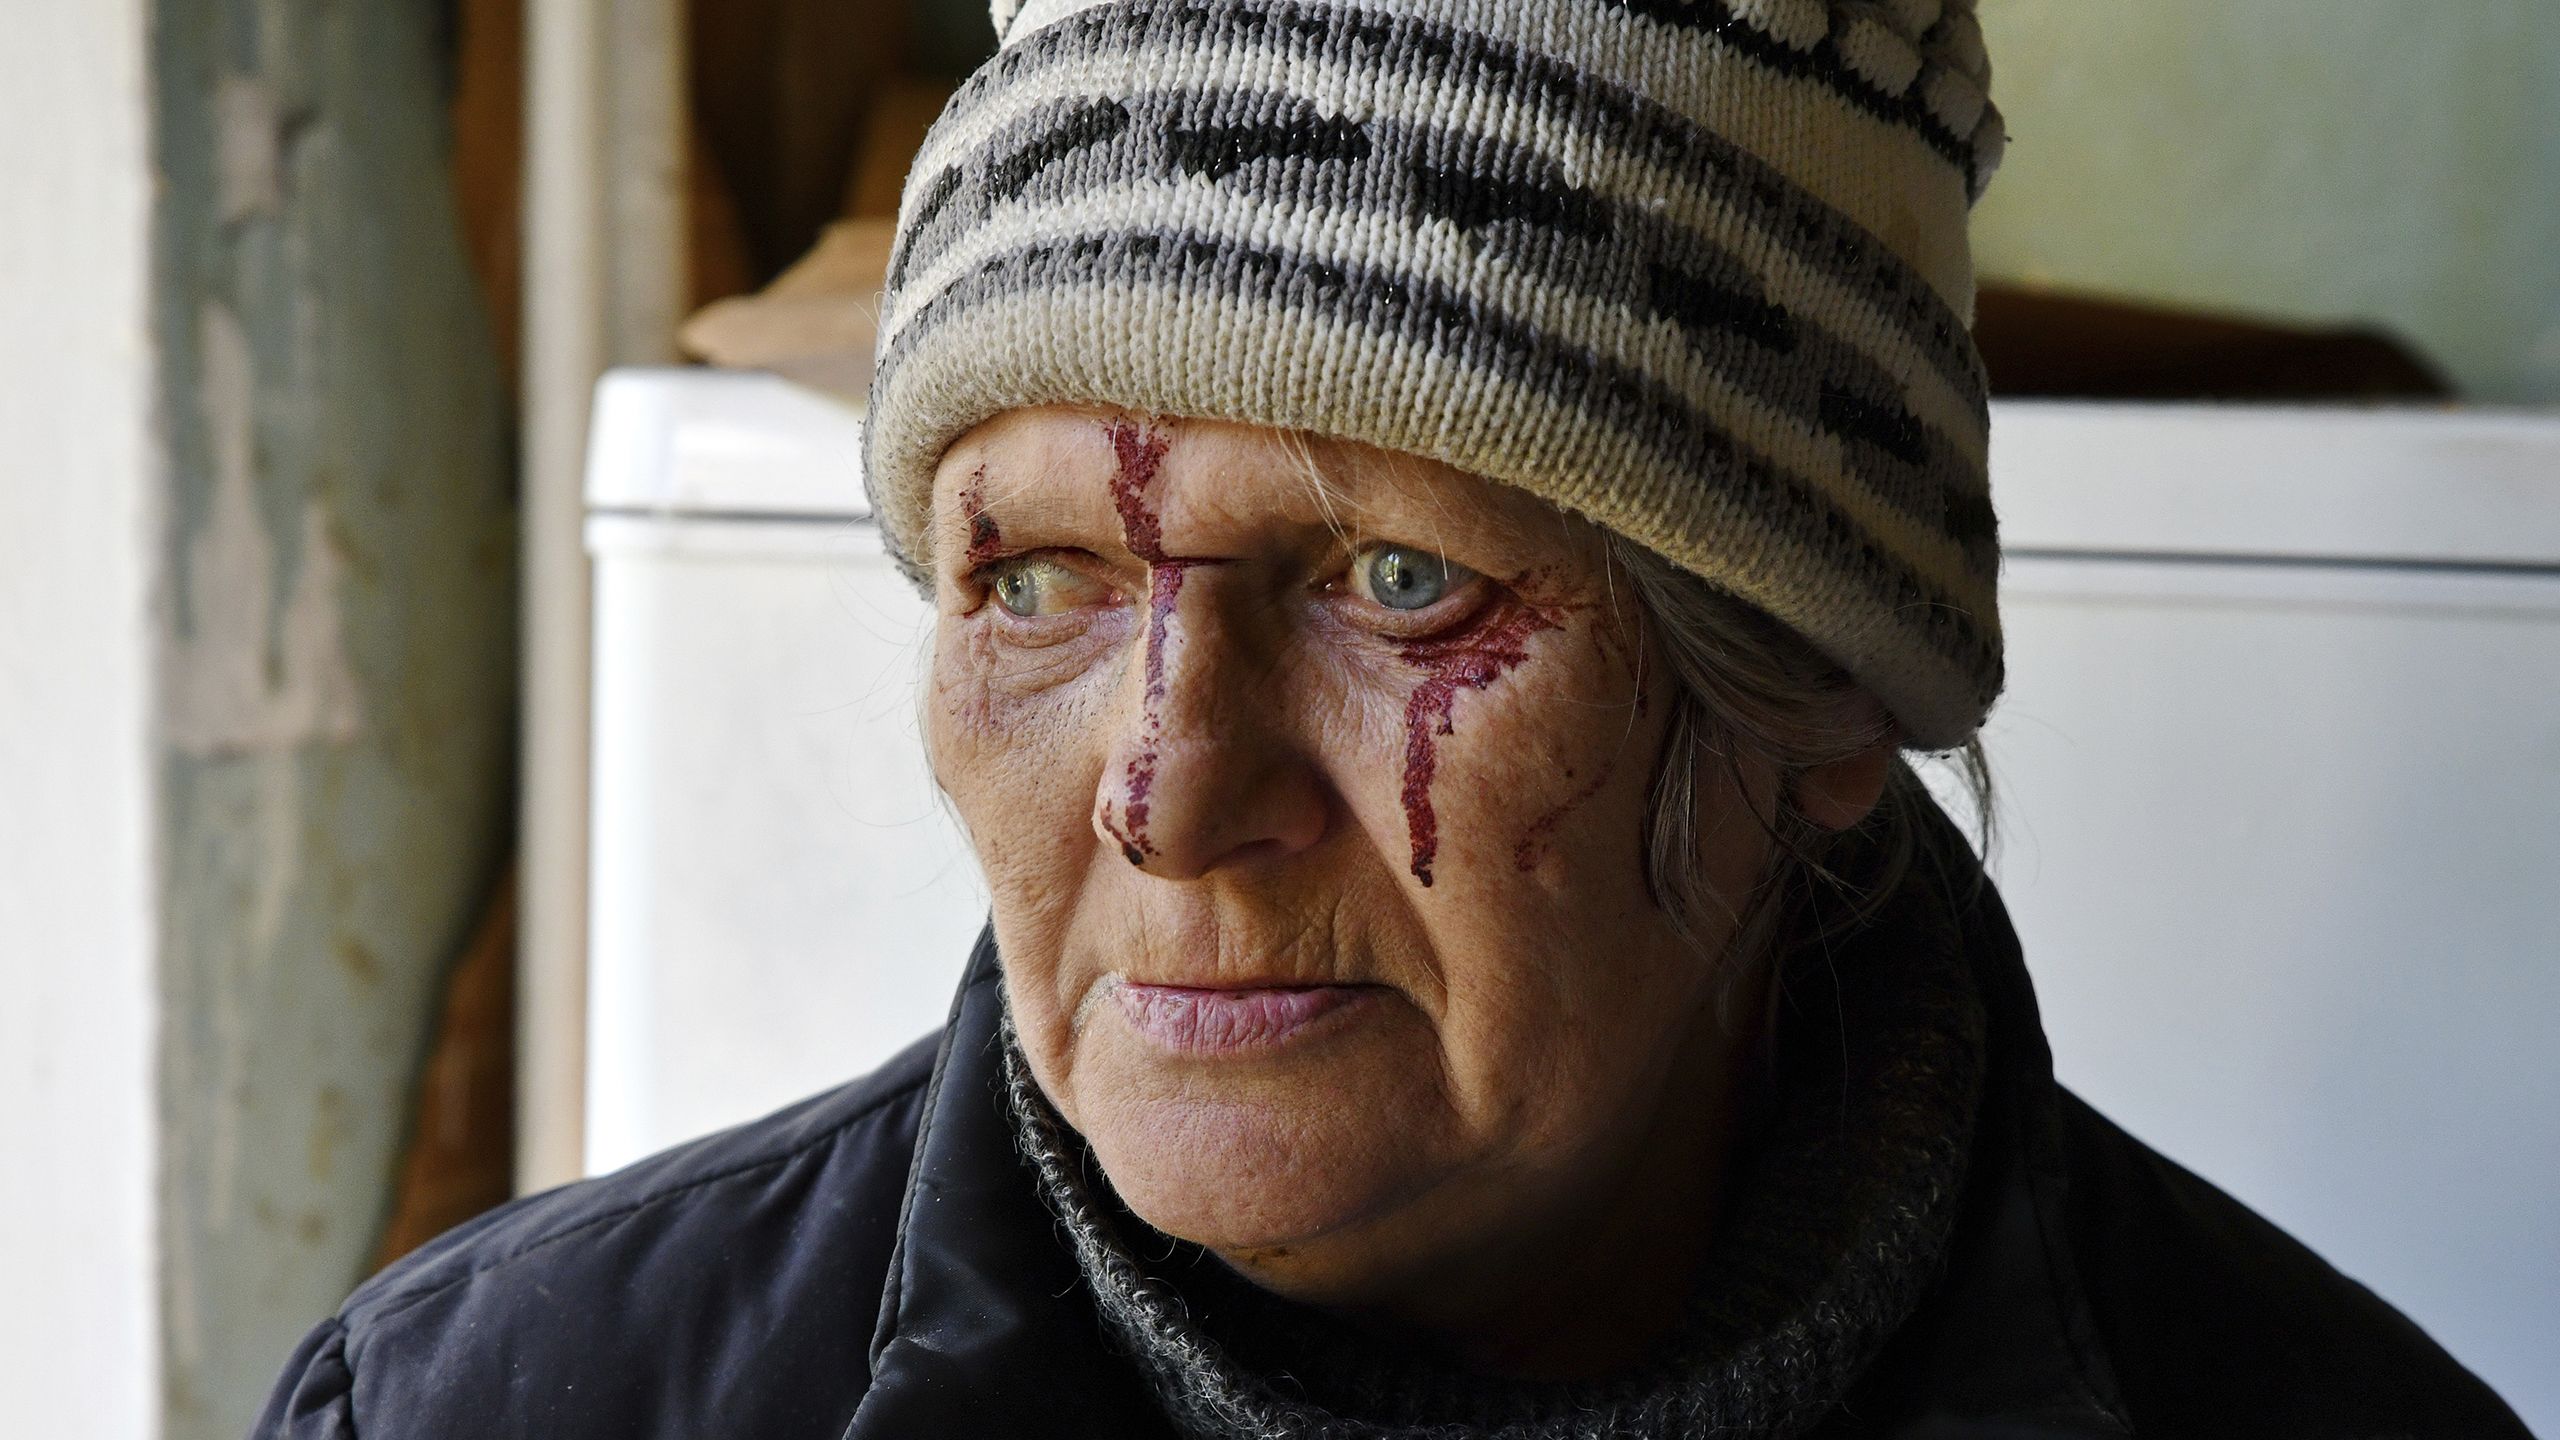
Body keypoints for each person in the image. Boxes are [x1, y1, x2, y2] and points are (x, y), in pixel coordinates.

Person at [253, 2, 2531, 1435]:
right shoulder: (490, 1406)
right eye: (1035, 580)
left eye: (1394, 579)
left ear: (1820, 690)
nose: (1167, 795)